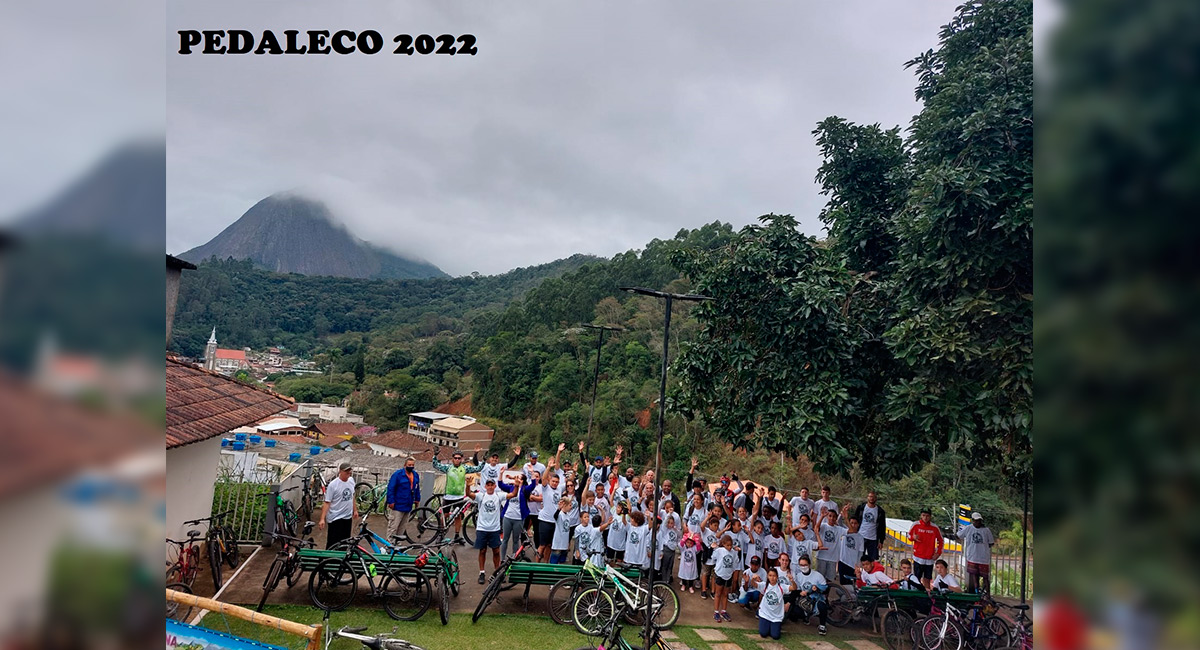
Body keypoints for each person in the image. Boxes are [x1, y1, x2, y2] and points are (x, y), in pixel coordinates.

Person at [431, 445, 485, 544]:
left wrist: (483, 459)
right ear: (452, 459)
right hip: (448, 495)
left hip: (459, 497)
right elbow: (435, 465)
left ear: (462, 459)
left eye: (459, 458)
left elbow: (478, 468)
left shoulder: (465, 468)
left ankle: (456, 536)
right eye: (455, 458)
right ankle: (441, 534)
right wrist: (435, 455)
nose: (457, 460)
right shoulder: (448, 468)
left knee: (458, 516)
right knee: (445, 515)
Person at [469, 477, 519, 582]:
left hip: (494, 529)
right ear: (485, 486)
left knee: (496, 551)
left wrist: (517, 486)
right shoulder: (481, 496)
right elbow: (470, 495)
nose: (490, 487)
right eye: (488, 485)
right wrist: (467, 485)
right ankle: (481, 572)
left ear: (495, 486)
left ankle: (497, 572)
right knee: (482, 550)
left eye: (492, 485)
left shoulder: (498, 495)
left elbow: (513, 494)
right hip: (482, 528)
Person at [530, 454, 566, 562]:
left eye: (556, 482)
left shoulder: (559, 488)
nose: (555, 483)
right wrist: (548, 467)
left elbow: (570, 479)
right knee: (542, 545)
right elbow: (544, 478)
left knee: (550, 545)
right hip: (544, 520)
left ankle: (546, 564)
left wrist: (559, 453)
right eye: (553, 481)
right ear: (550, 481)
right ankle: (537, 565)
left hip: (555, 521)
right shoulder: (546, 488)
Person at [319, 461, 358, 549]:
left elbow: (352, 496)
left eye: (349, 472)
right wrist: (322, 519)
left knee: (345, 541)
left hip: (347, 517)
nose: (348, 474)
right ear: (340, 472)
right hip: (335, 517)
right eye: (346, 472)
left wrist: (355, 510)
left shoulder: (351, 481)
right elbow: (327, 502)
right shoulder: (333, 485)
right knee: (333, 542)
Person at [957, 512, 995, 595]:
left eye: (979, 521)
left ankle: (987, 594)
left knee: (985, 577)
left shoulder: (986, 530)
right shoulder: (968, 528)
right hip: (972, 557)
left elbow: (991, 542)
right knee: (974, 576)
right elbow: (959, 535)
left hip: (983, 558)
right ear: (973, 521)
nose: (978, 522)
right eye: (976, 521)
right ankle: (977, 592)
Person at [791, 554, 829, 635]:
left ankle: (822, 625)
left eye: (805, 565)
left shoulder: (818, 575)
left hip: (816, 599)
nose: (803, 567)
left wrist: (817, 588)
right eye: (801, 565)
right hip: (804, 601)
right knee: (795, 612)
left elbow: (825, 588)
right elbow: (795, 589)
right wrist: (800, 592)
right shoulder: (798, 576)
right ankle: (806, 617)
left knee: (822, 606)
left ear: (809, 565)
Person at [385, 456, 420, 542]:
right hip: (398, 505)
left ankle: (398, 545)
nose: (411, 466)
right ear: (405, 465)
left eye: (412, 465)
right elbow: (391, 488)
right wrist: (391, 501)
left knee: (402, 528)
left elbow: (417, 488)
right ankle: (389, 546)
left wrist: (417, 500)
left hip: (408, 505)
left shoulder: (415, 475)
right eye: (409, 464)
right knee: (393, 527)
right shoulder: (398, 475)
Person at [500, 472, 533, 560]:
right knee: (505, 539)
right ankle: (502, 559)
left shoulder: (525, 490)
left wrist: (532, 473)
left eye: (519, 478)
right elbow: (500, 485)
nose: (517, 479)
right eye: (516, 477)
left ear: (522, 481)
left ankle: (514, 558)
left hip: (518, 519)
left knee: (515, 540)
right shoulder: (511, 488)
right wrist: (501, 474)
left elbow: (533, 485)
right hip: (507, 517)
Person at [909, 508, 945, 591]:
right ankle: (916, 595)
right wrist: (913, 537)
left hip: (929, 558)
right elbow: (909, 536)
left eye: (927, 516)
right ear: (921, 516)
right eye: (923, 515)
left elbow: (941, 540)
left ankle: (927, 598)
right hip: (918, 557)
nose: (925, 518)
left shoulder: (934, 527)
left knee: (927, 579)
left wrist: (938, 553)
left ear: (930, 517)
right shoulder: (915, 525)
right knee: (917, 579)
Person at [853, 490, 887, 562]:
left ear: (876, 498)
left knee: (872, 560)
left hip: (873, 538)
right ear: (867, 497)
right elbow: (854, 520)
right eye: (870, 496)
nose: (871, 498)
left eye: (873, 497)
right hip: (861, 535)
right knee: (858, 557)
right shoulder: (861, 508)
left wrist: (881, 541)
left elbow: (882, 526)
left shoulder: (880, 511)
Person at [710, 534, 738, 623]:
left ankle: (724, 611)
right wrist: (714, 548)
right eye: (728, 545)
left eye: (731, 545)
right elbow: (713, 557)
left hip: (728, 576)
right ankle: (716, 612)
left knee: (725, 594)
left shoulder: (733, 553)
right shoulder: (720, 551)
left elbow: (735, 563)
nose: (730, 547)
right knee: (718, 593)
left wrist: (732, 572)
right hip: (720, 575)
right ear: (724, 544)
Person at [757, 567, 790, 640]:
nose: (772, 578)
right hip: (765, 613)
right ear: (768, 576)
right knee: (763, 633)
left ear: (777, 577)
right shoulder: (764, 585)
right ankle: (767, 625)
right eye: (770, 575)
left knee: (775, 636)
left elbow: (793, 588)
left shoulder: (781, 587)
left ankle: (773, 627)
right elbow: (755, 585)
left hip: (776, 616)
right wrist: (753, 579)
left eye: (774, 576)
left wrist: (792, 580)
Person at [835, 506, 864, 586]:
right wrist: (842, 513)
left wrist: (858, 566)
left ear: (858, 525)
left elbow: (860, 553)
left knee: (851, 585)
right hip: (843, 561)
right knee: (843, 584)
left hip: (852, 564)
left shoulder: (860, 538)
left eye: (855, 523)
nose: (853, 525)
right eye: (851, 523)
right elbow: (839, 522)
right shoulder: (845, 531)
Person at [816, 509, 843, 582]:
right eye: (830, 516)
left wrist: (845, 517)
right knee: (819, 578)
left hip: (832, 558)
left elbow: (850, 531)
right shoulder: (823, 526)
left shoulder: (839, 529)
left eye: (834, 516)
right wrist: (821, 516)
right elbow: (816, 528)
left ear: (836, 518)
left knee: (830, 580)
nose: (832, 518)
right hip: (822, 557)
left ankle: (827, 593)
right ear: (827, 516)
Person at [549, 494, 574, 564]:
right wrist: (558, 509)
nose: (571, 507)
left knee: (562, 561)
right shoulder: (560, 514)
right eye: (570, 505)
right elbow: (555, 516)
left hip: (564, 544)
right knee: (554, 561)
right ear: (565, 505)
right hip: (558, 544)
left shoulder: (568, 516)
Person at [656, 513, 680, 584]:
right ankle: (664, 581)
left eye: (672, 523)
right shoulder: (665, 530)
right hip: (666, 549)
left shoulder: (675, 530)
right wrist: (669, 514)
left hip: (672, 550)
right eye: (669, 523)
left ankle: (668, 580)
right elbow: (664, 523)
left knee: (670, 566)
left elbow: (679, 537)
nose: (670, 525)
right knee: (664, 566)